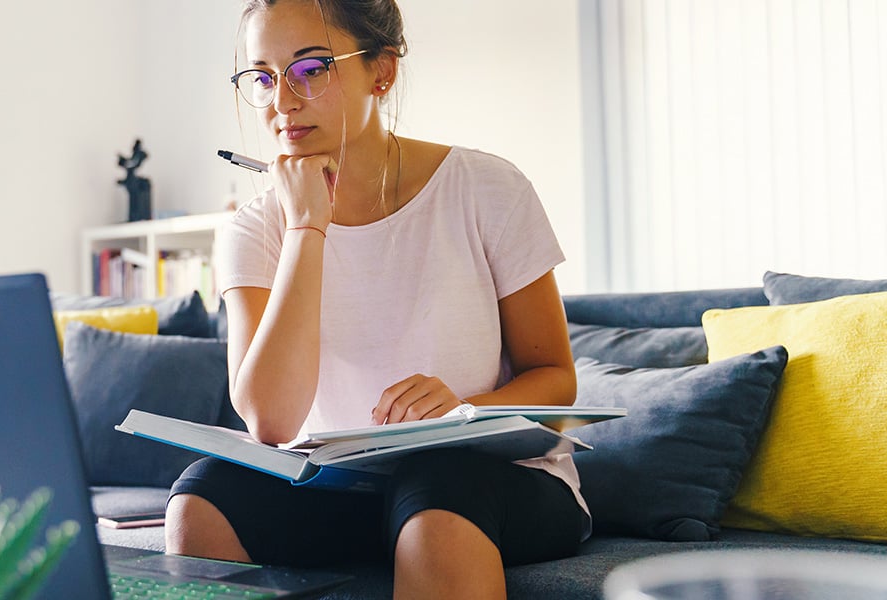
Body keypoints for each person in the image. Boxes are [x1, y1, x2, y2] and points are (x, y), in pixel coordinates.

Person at [166, 1, 587, 597]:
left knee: (436, 484)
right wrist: (305, 227)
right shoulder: (252, 230)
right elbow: (270, 419)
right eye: (262, 76)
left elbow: (556, 379)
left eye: (310, 69)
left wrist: (463, 411)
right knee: (202, 494)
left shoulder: (488, 189)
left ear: (381, 72)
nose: (283, 100)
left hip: (489, 481)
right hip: (339, 490)